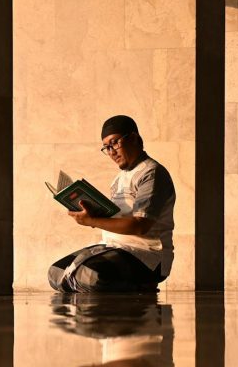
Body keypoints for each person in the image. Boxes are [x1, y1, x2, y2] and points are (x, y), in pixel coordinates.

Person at [47, 115, 176, 293]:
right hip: (114, 247)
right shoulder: (118, 179)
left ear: (134, 139)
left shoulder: (152, 173)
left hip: (146, 255)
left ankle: (144, 285)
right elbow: (117, 218)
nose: (111, 151)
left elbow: (140, 226)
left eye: (114, 143)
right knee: (56, 273)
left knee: (89, 275)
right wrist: (91, 212)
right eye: (106, 147)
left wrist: (91, 221)